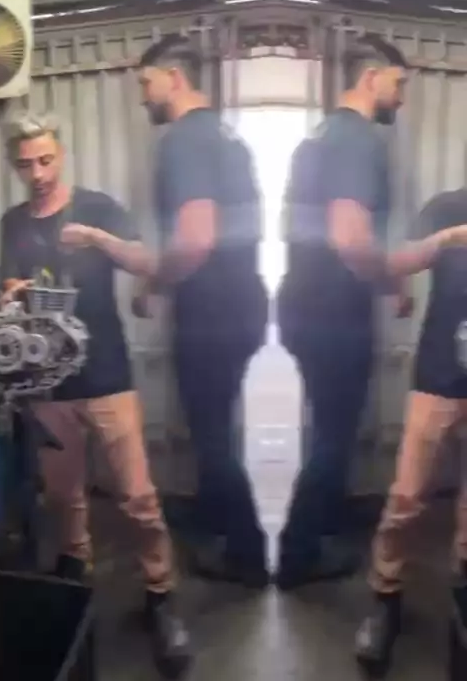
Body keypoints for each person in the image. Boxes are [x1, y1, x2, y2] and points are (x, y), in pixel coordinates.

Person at [0, 112, 191, 680]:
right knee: (63, 496)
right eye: (26, 164)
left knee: (138, 496)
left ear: (61, 155)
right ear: (14, 166)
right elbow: (7, 285)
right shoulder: (13, 222)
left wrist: (98, 239)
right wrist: (10, 292)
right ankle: (74, 581)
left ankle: (161, 594)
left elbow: (149, 265)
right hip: (45, 381)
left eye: (46, 160)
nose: (37, 173)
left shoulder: (99, 208)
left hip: (107, 375)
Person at [276, 34, 411, 590]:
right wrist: (393, 281)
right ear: (371, 77)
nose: (402, 97)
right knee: (335, 433)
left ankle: (319, 528)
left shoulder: (318, 137)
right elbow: (350, 237)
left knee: (326, 427)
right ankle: (300, 553)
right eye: (399, 84)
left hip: (303, 303)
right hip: (334, 311)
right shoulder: (358, 140)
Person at [137, 33, 269, 588]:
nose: (142, 96)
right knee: (218, 426)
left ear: (174, 77)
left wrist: (151, 282)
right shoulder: (226, 137)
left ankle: (244, 553)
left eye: (146, 83)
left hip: (212, 310)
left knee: (211, 433)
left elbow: (195, 238)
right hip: (242, 302)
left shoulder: (184, 140)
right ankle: (220, 521)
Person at [355, 189, 467, 677]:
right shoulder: (447, 208)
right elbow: (395, 263)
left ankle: (462, 602)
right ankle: (386, 600)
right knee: (406, 496)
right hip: (438, 375)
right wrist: (449, 238)